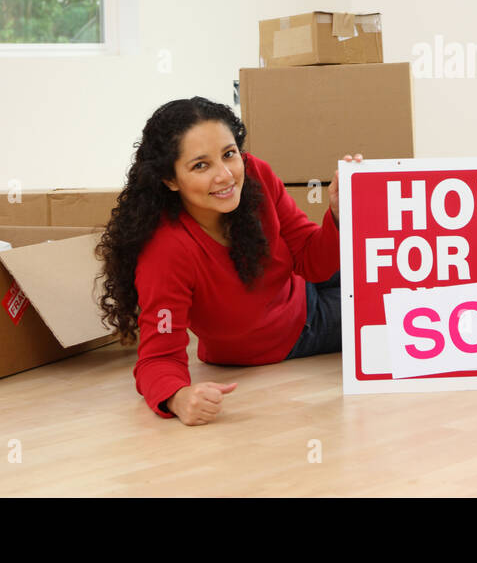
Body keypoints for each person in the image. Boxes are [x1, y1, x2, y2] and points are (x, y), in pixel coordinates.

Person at [96, 97, 358, 425]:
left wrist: (338, 212)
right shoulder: (166, 251)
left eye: (229, 154)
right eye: (200, 165)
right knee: (391, 308)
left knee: (390, 265)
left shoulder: (255, 174)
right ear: (170, 179)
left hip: (299, 286)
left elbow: (310, 260)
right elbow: (158, 357)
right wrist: (178, 398)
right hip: (292, 332)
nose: (225, 175)